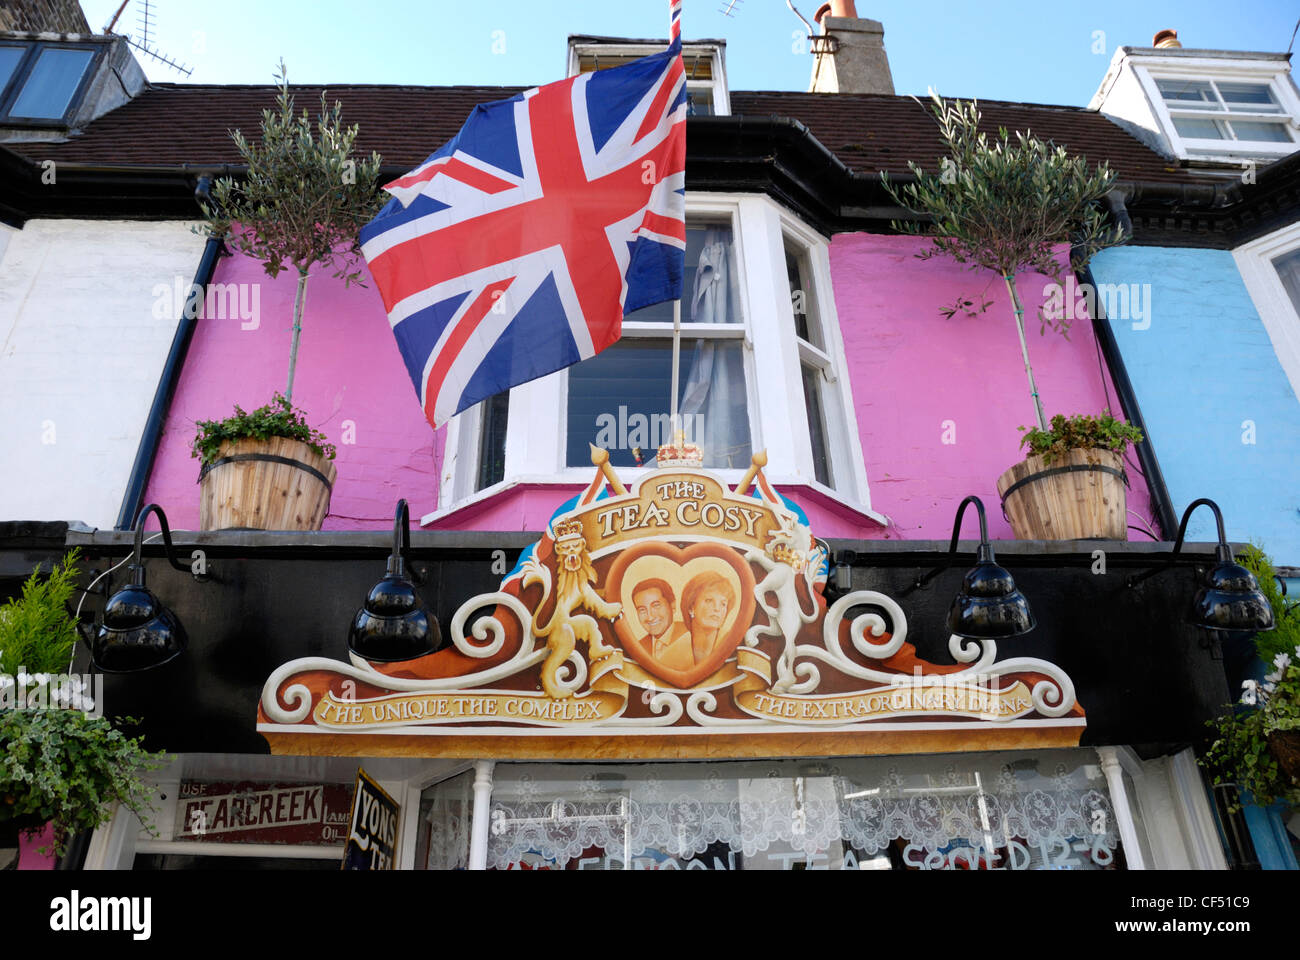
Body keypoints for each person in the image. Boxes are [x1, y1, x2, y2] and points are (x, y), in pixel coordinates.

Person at [631, 578, 692, 671]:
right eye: (642, 610)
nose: (650, 617)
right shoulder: (637, 649)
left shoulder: (691, 636)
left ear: (673, 606)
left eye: (656, 605)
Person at [681, 572, 735, 664]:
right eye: (709, 601)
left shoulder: (733, 646)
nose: (717, 608)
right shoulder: (674, 652)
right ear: (691, 607)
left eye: (723, 604)